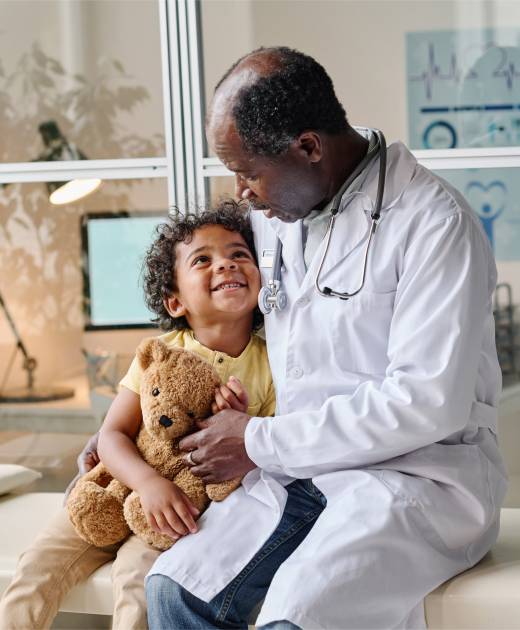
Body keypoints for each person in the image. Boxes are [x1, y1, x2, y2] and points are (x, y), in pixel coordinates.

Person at [144, 47, 508, 630]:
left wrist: (260, 440)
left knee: (296, 618)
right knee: (173, 590)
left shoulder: (433, 223)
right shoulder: (278, 209)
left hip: (415, 477)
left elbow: (427, 402)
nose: (241, 193)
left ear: (309, 148)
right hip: (302, 471)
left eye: (249, 172)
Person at [0, 201, 275, 630]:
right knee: (35, 570)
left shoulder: (272, 363)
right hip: (110, 490)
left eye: (239, 254)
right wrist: (147, 482)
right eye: (203, 259)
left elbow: (261, 454)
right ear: (175, 301)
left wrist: (242, 426)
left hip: (177, 515)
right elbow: (112, 435)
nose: (225, 264)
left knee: (137, 584)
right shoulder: (158, 353)